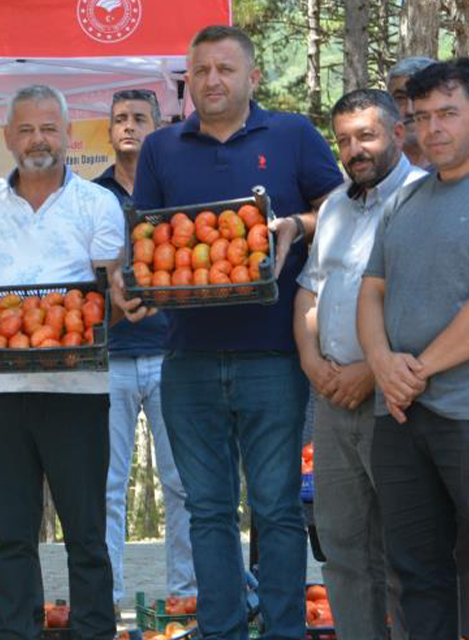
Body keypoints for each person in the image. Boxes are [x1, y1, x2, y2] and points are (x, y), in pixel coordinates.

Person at [118, 25, 344, 640]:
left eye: (224, 68)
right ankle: (221, 629)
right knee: (207, 510)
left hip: (273, 353)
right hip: (187, 355)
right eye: (200, 71)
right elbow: (151, 238)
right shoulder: (163, 148)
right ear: (186, 80)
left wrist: (295, 224)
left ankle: (284, 630)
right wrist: (134, 285)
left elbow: (340, 207)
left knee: (275, 509)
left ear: (252, 78)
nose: (211, 80)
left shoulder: (293, 134)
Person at [0, 85, 123, 639]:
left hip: (78, 389)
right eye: (25, 129)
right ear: (7, 138)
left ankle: (94, 630)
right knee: (10, 533)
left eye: (48, 128)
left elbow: (106, 299)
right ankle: (15, 631)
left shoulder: (98, 203)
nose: (37, 139)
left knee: (86, 533)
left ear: (69, 136)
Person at [358, 58, 469, 637]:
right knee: (416, 573)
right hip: (401, 417)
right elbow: (370, 293)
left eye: (447, 113)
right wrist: (380, 363)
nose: (433, 129)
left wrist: (415, 370)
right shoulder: (404, 200)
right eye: (421, 116)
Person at [295, 89, 424, 640]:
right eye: (344, 140)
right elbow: (309, 290)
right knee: (342, 547)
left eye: (366, 136)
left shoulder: (426, 197)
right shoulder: (337, 208)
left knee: (402, 550)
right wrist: (311, 362)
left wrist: (368, 371)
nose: (355, 150)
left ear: (398, 133)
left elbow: (432, 308)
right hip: (330, 400)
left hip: (396, 399)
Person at [93, 88, 195, 614]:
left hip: (172, 351)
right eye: (119, 119)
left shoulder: (179, 188)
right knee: (107, 486)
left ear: (159, 126)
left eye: (139, 118)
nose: (128, 126)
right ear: (108, 131)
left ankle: (186, 596)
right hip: (109, 357)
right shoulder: (90, 196)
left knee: (180, 481)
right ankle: (105, 600)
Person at [387, 57, 437, 169]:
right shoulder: (375, 171)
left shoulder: (463, 167)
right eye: (400, 98)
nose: (410, 110)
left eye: (420, 96)